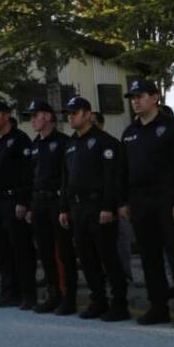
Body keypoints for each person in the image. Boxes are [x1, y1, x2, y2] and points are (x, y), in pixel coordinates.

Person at [120, 80, 174, 329]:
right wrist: (124, 201)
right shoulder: (130, 132)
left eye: (140, 95)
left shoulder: (172, 129)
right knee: (149, 256)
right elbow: (123, 171)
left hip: (167, 199)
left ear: (155, 97)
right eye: (132, 97)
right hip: (140, 200)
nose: (135, 100)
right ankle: (159, 307)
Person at [60, 96, 129, 322]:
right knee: (86, 257)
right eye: (69, 113)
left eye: (75, 113)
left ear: (88, 114)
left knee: (108, 256)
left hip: (99, 205)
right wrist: (64, 208)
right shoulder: (70, 144)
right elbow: (65, 178)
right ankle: (98, 300)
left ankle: (119, 303)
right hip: (78, 207)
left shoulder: (105, 141)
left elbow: (112, 177)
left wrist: (109, 206)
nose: (70, 117)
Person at [0, 101, 36, 309]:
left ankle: (27, 294)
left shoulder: (20, 139)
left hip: (13, 200)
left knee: (20, 248)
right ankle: (9, 292)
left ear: (6, 115)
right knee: (1, 250)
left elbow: (27, 172)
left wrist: (23, 200)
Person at [26, 101, 72, 315]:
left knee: (63, 251)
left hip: (56, 201)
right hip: (39, 202)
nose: (32, 120)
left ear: (46, 116)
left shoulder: (63, 142)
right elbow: (30, 177)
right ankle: (53, 293)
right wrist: (29, 206)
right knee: (44, 251)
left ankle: (67, 295)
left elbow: (67, 176)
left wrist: (65, 206)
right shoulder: (35, 145)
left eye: (35, 115)